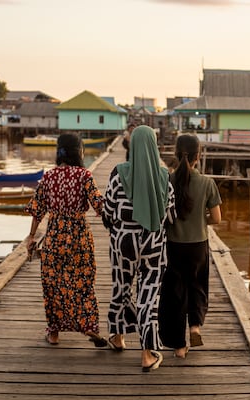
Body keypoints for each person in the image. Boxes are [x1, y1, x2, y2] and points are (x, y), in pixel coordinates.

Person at [102, 125, 176, 372]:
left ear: (132, 146)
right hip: (153, 242)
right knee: (149, 297)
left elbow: (108, 211)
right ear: (154, 147)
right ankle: (147, 353)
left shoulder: (118, 173)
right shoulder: (164, 177)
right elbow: (171, 216)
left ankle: (117, 336)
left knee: (121, 287)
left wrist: (117, 227)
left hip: (123, 241)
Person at [25, 133, 107, 347]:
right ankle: (88, 325)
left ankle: (53, 333)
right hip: (79, 235)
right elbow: (99, 206)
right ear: (79, 151)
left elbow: (37, 211)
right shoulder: (84, 175)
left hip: (55, 235)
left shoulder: (49, 177)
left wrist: (31, 237)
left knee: (53, 283)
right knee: (84, 281)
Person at [158, 133, 222, 358]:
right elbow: (216, 219)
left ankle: (179, 347)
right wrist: (199, 217)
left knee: (175, 294)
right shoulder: (207, 183)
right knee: (197, 286)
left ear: (175, 154)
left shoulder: (167, 181)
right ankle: (195, 326)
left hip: (173, 246)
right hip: (198, 246)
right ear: (198, 155)